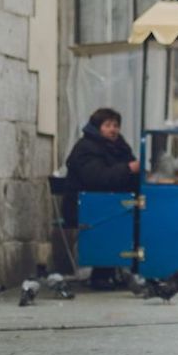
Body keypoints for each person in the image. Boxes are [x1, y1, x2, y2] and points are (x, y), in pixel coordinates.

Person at [63, 107, 141, 288]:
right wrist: (128, 169)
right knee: (114, 216)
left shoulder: (120, 146)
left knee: (139, 213)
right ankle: (102, 274)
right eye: (108, 125)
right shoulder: (85, 148)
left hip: (112, 202)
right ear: (97, 127)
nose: (113, 129)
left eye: (115, 125)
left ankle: (126, 270)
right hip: (84, 206)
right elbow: (98, 178)